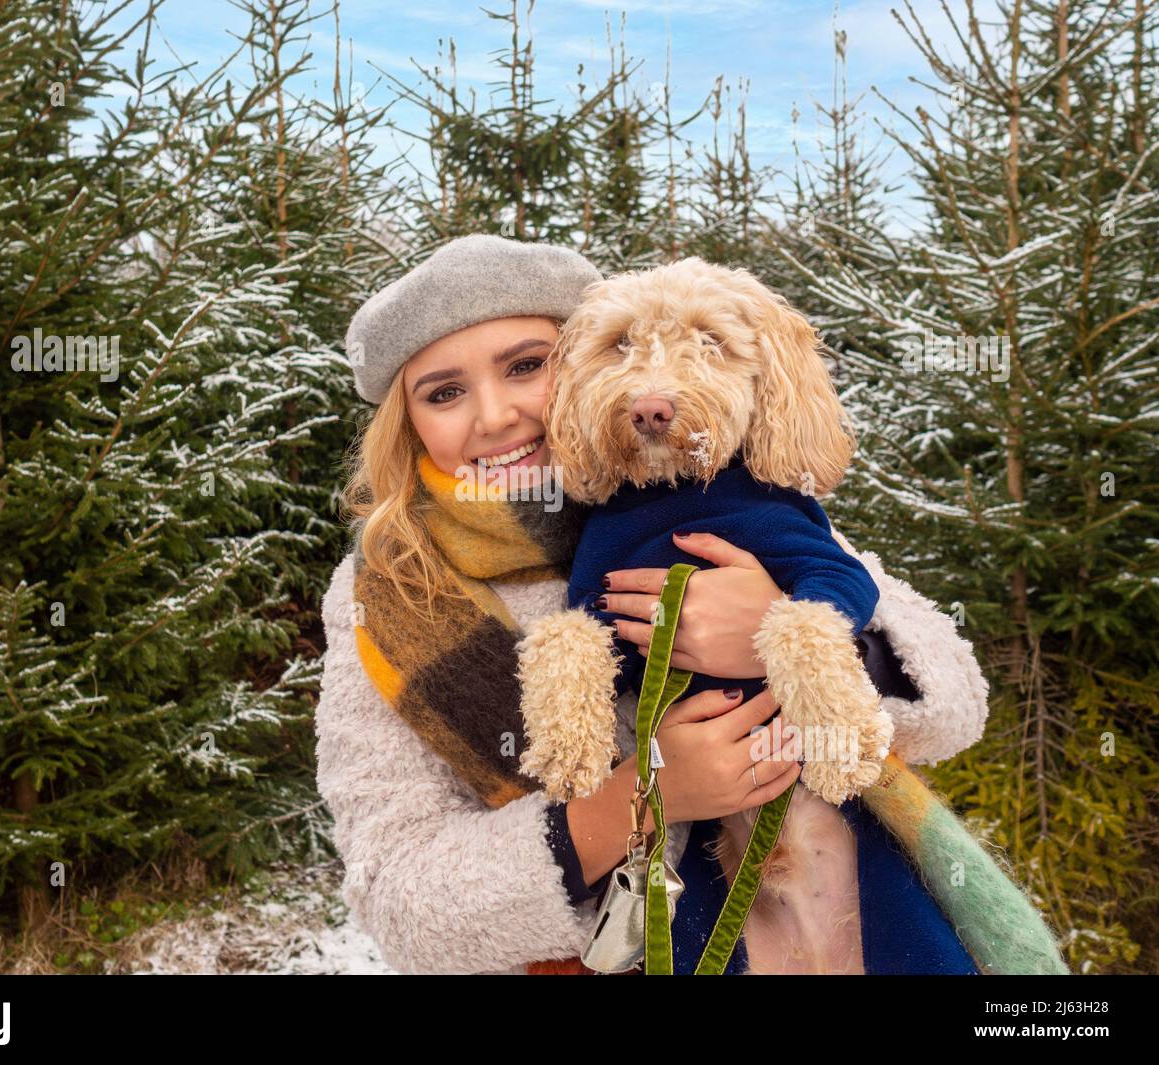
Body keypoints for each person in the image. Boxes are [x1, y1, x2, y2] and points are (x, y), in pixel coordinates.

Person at [315, 234, 993, 975]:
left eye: (526, 366)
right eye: (444, 392)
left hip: (858, 907)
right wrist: (637, 798)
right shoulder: (387, 598)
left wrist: (776, 636)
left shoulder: (720, 493)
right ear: (407, 423)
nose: (496, 414)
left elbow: (953, 701)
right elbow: (401, 897)